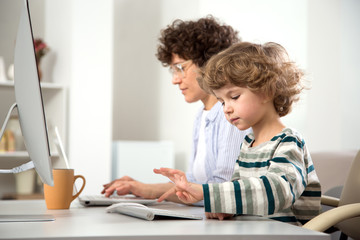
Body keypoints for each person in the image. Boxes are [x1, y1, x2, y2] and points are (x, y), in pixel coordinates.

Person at [154, 41, 321, 225]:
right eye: (222, 101)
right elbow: (237, 192)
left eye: (234, 97)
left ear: (267, 91)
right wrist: (225, 209)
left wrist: (208, 194)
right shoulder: (248, 143)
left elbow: (276, 191)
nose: (226, 109)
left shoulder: (289, 142)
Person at [102, 16, 251, 202]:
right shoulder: (201, 116)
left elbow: (221, 190)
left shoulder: (230, 116)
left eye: (180, 68)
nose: (175, 79)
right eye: (173, 70)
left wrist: (149, 190)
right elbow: (195, 182)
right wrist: (141, 187)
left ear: (209, 63)